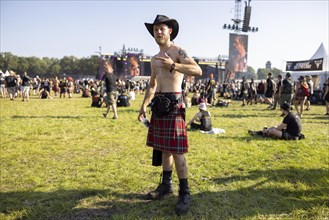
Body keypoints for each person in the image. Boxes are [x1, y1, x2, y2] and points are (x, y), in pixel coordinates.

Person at [138, 14, 202, 216]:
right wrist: (143, 105)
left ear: (169, 31)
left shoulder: (177, 50)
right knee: (163, 149)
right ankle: (166, 185)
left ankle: (185, 193)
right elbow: (152, 84)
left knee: (177, 152)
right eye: (155, 29)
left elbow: (197, 70)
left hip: (174, 104)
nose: (158, 32)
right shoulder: (154, 59)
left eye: (162, 29)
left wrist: (174, 65)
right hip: (158, 105)